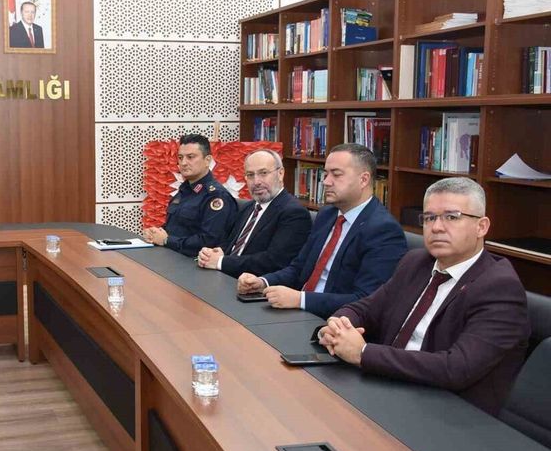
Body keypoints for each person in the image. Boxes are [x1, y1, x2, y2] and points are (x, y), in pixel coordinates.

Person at [318, 178, 529, 415]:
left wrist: (363, 353)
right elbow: (366, 308)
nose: (437, 227)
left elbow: (456, 368)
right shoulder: (416, 262)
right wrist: (338, 326)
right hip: (386, 386)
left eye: (452, 217)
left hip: (445, 411)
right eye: (429, 218)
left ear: (481, 226)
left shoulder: (500, 288)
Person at [237, 143, 406, 318]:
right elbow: (299, 268)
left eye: (336, 174)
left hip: (334, 322)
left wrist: (301, 299)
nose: (326, 182)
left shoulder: (384, 231)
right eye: (326, 174)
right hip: (297, 311)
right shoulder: (327, 214)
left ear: (363, 179)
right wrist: (263, 282)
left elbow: (366, 300)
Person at [197, 149, 311, 278]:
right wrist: (215, 253)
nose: (256, 182)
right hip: (224, 276)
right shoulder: (249, 207)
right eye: (250, 175)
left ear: (280, 174)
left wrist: (221, 262)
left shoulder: (294, 213)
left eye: (263, 173)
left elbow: (274, 261)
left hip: (254, 284)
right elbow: (231, 242)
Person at [143, 134, 236, 257]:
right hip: (171, 256)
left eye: (190, 157)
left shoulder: (216, 196)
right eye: (180, 157)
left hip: (194, 262)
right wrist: (156, 233)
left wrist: (167, 240)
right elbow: (176, 228)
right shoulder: (184, 190)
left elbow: (209, 241)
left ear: (207, 160)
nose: (183, 163)